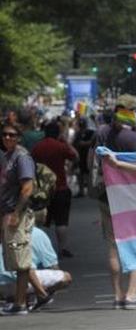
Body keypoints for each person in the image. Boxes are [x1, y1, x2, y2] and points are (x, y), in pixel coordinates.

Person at [95, 105, 136, 309]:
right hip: (133, 199)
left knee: (113, 247)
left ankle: (117, 295)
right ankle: (131, 295)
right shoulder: (133, 138)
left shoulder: (102, 133)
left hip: (107, 195)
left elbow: (94, 160)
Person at [1, 121, 52, 315]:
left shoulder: (22, 158)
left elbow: (27, 188)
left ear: (19, 137)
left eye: (12, 135)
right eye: (5, 134)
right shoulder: (8, 156)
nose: (7, 138)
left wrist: (15, 213)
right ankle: (40, 293)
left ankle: (20, 303)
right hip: (8, 212)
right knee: (17, 258)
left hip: (18, 214)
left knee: (20, 259)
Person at [30, 121, 78, 257]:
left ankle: (40, 250)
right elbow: (76, 157)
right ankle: (63, 248)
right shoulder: (60, 146)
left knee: (42, 222)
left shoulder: (37, 147)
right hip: (60, 188)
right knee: (61, 221)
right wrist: (66, 143)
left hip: (42, 190)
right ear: (58, 133)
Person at [0, 225, 72, 302]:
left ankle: (24, 296)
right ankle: (39, 295)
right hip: (16, 283)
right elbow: (52, 266)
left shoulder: (7, 233)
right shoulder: (35, 233)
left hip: (3, 283)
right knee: (66, 277)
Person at [73, 116, 96, 198]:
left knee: (88, 174)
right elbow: (75, 144)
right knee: (80, 174)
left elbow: (92, 143)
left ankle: (90, 191)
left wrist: (84, 143)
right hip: (80, 156)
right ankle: (81, 191)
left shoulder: (91, 132)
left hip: (88, 156)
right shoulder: (78, 133)